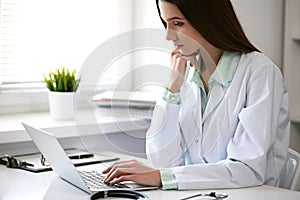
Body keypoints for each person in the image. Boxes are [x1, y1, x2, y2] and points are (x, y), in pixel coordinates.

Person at [102, 0, 290, 190]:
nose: (168, 36)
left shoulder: (260, 72)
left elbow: (247, 170)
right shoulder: (188, 72)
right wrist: (172, 88)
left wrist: (161, 176)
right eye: (166, 23)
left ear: (208, 21)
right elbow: (163, 160)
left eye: (178, 23)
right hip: (200, 193)